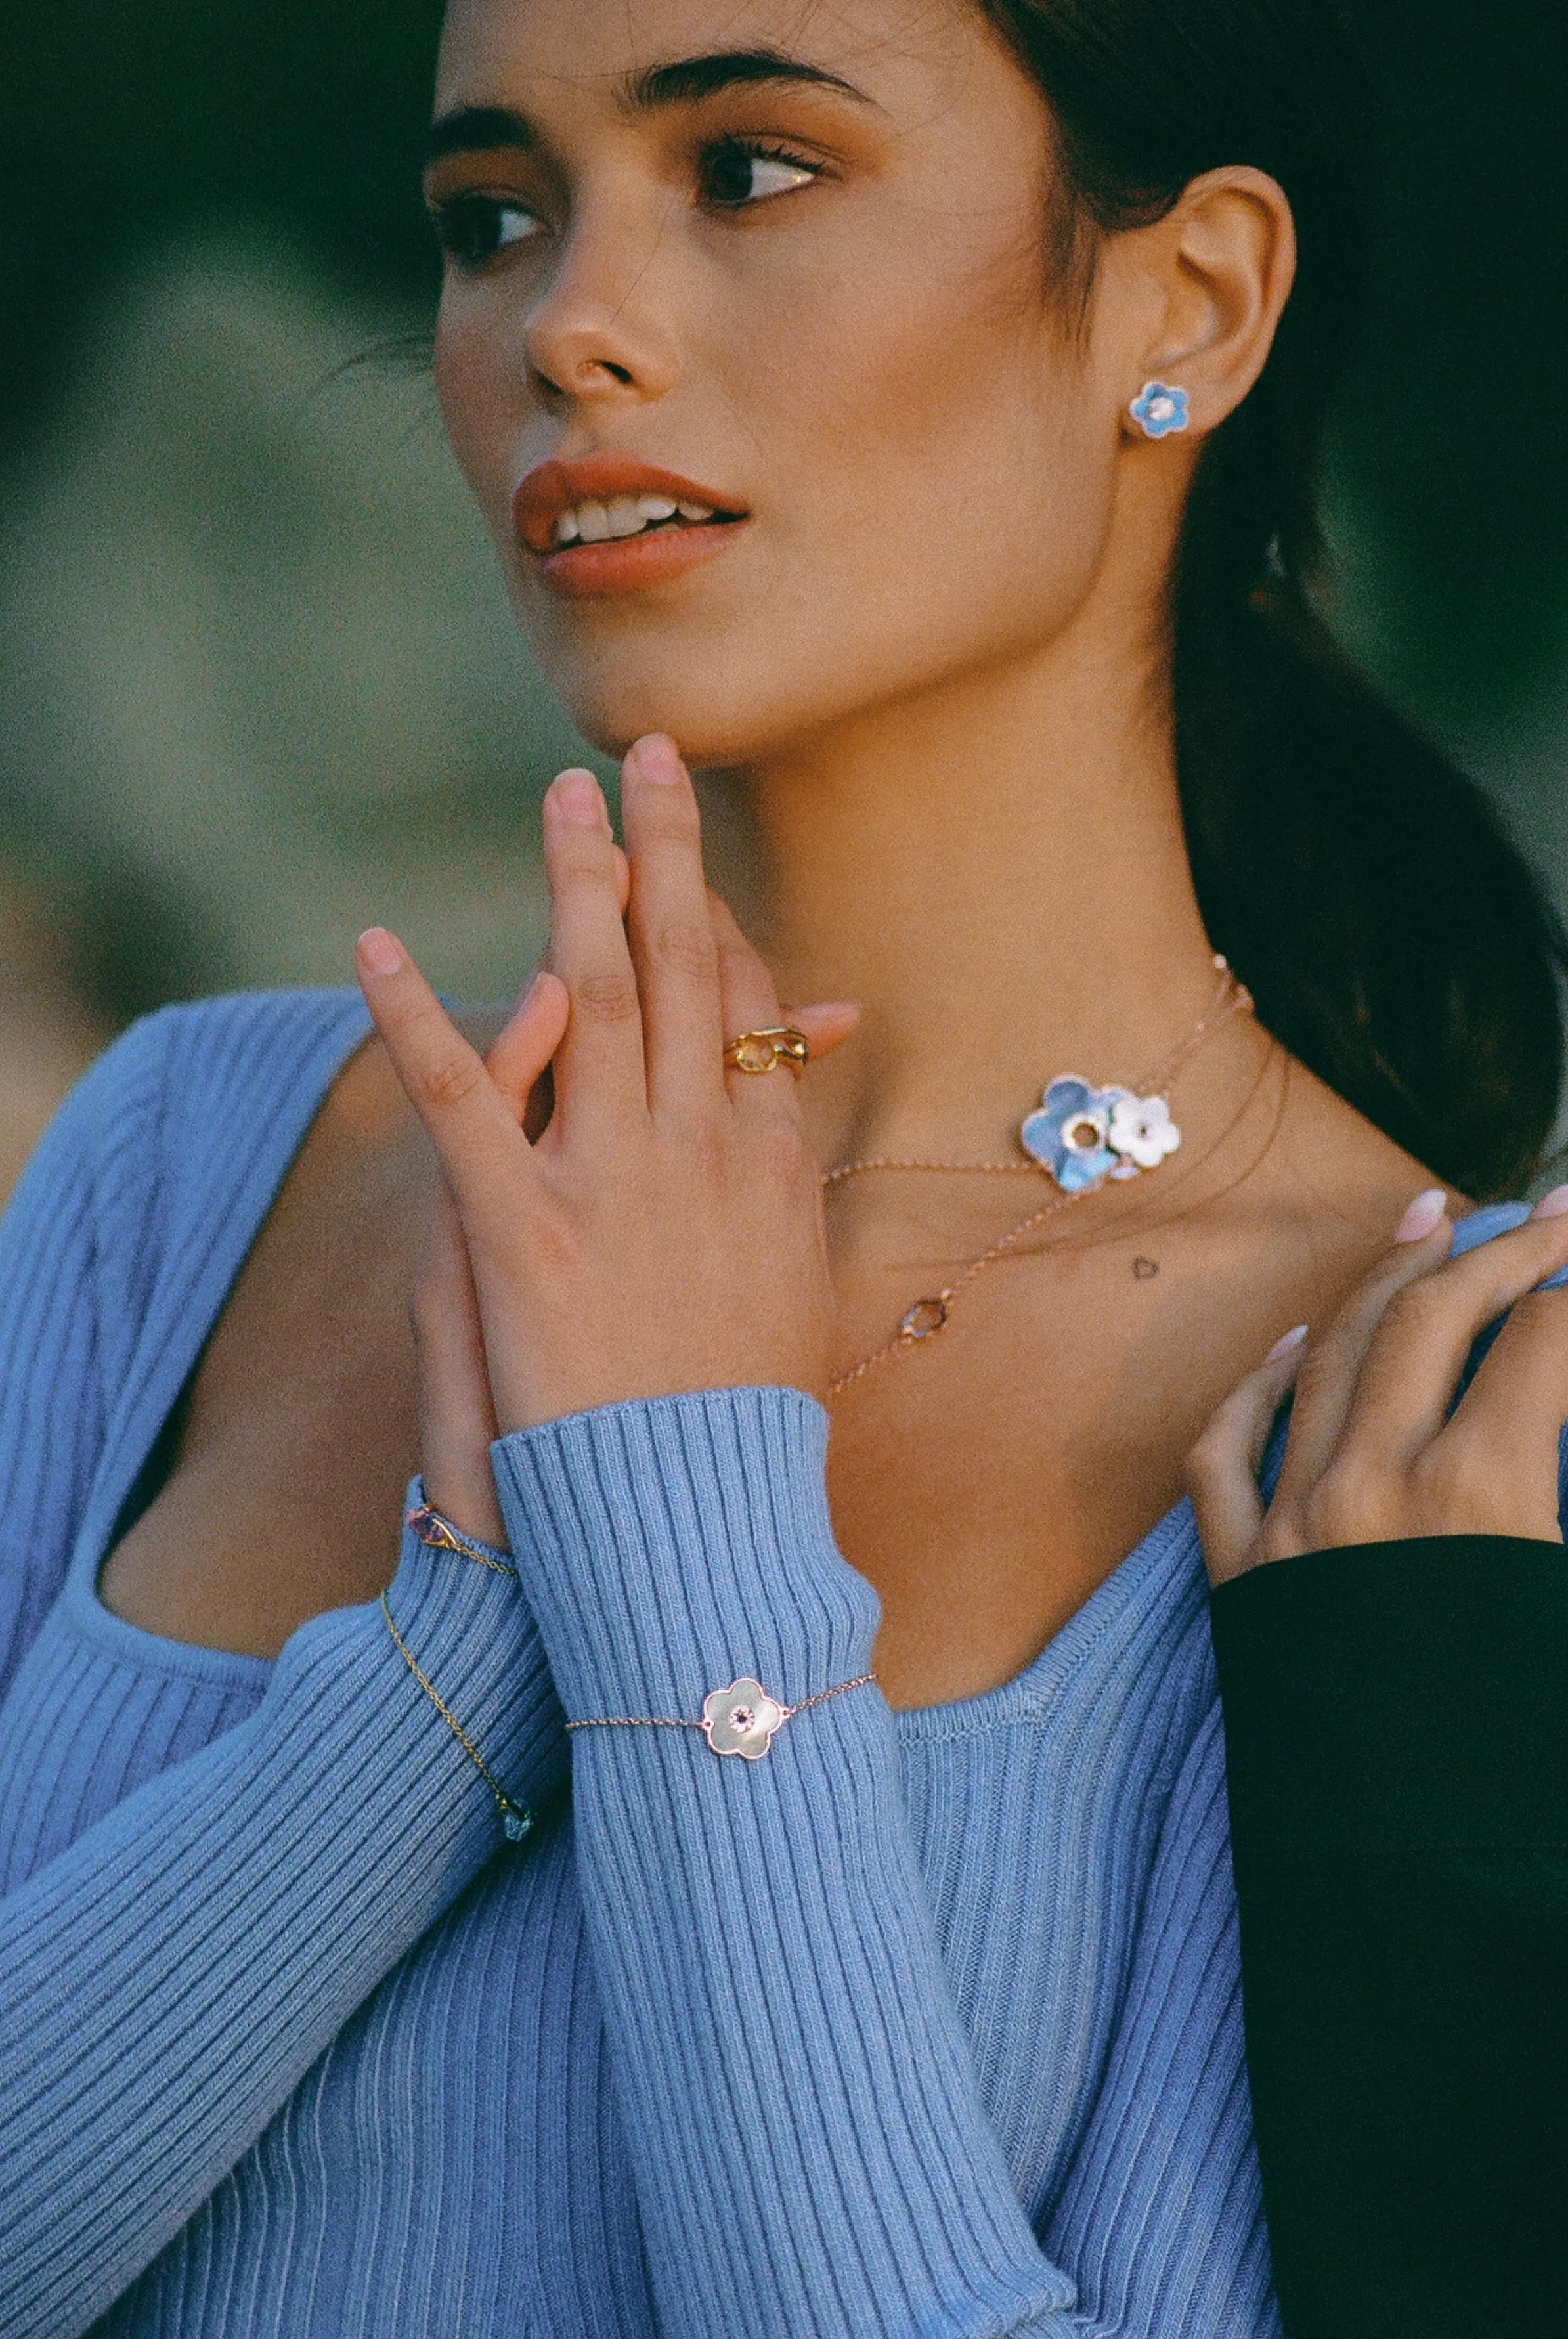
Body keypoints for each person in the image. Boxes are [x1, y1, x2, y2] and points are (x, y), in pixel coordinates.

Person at [0, 0, 1563, 2332]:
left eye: (748, 170)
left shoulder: (1426, 1425)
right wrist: (453, 1642)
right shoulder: (197, 1159)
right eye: (486, 216)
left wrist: (670, 1511)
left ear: (1190, 303)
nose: (567, 324)